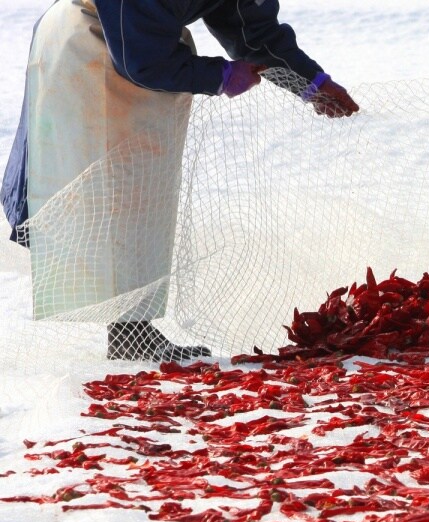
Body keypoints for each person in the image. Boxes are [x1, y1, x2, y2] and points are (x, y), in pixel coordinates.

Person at [1, 0, 359, 362]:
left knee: (145, 191)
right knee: (106, 192)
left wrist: (311, 83)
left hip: (151, 53)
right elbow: (141, 60)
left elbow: (255, 31)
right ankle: (128, 331)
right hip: (91, 46)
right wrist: (217, 76)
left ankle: (132, 329)